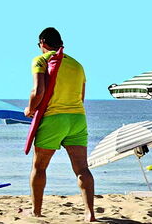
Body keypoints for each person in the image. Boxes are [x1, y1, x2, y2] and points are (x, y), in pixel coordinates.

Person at [25, 27, 96, 222]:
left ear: (42, 43)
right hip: (77, 119)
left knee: (39, 167)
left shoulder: (41, 60)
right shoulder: (77, 65)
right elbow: (81, 97)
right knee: (82, 168)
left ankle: (36, 211)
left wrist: (30, 109)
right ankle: (89, 212)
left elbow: (37, 92)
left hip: (54, 118)